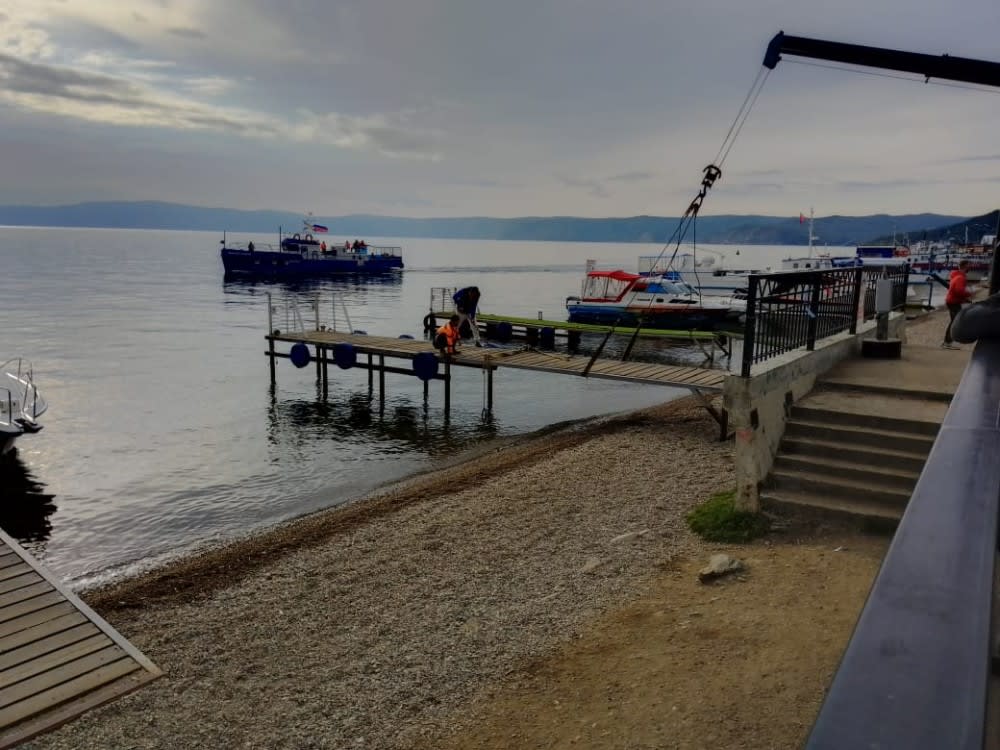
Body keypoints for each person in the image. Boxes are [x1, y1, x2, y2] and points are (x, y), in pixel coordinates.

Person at [942, 260, 973, 349]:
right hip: (953, 302)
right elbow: (958, 291)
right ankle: (947, 342)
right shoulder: (960, 278)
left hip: (953, 301)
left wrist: (965, 299)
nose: (970, 267)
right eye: (969, 265)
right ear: (964, 266)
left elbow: (956, 291)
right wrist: (969, 293)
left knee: (955, 321)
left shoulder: (957, 276)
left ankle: (948, 341)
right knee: (954, 321)